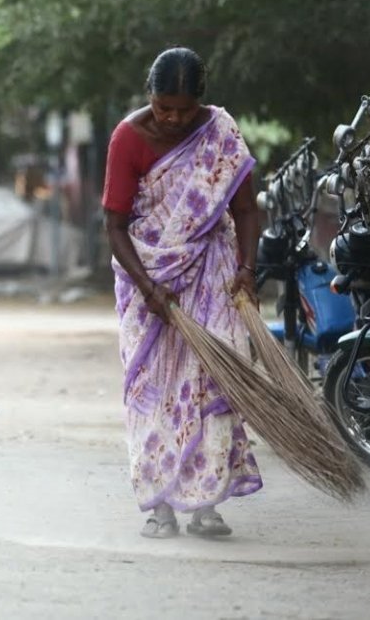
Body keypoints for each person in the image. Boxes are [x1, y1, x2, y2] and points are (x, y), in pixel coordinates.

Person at [103, 47, 262, 539]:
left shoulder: (219, 133)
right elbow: (115, 223)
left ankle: (206, 505)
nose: (172, 118)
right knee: (154, 395)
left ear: (202, 102)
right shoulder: (128, 138)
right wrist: (148, 286)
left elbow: (246, 210)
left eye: (184, 109)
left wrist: (247, 268)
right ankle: (161, 507)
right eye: (162, 107)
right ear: (148, 96)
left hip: (212, 276)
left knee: (214, 385)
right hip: (147, 278)